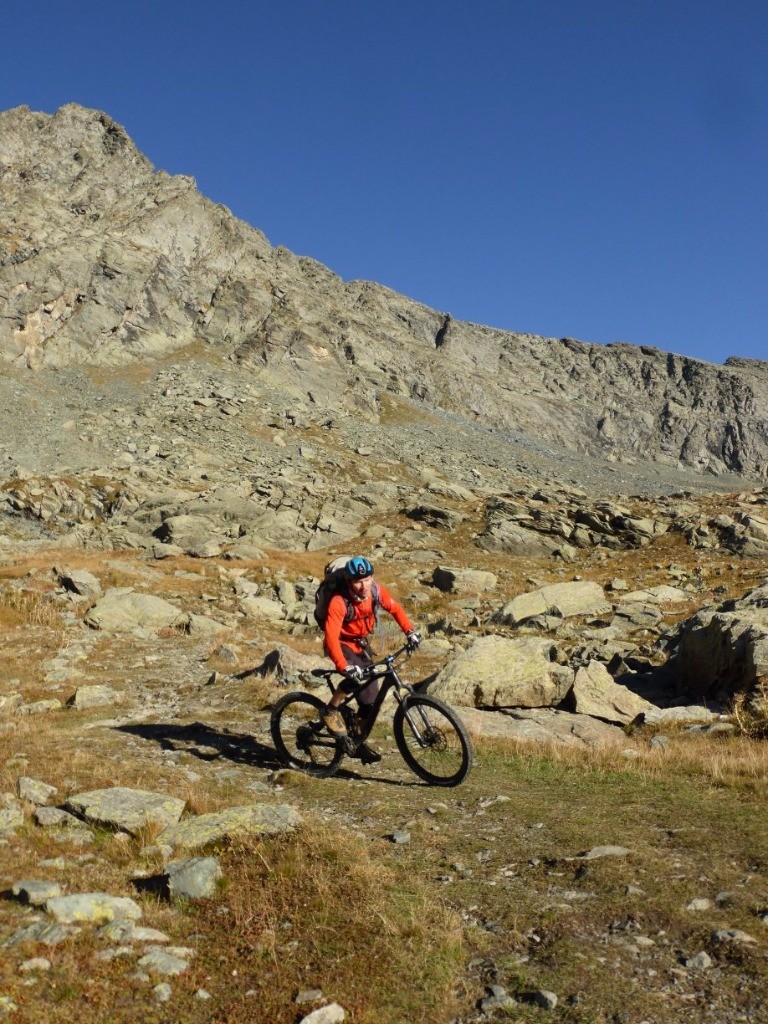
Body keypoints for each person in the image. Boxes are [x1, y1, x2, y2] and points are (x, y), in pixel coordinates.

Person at [322, 556, 421, 764]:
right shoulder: (339, 602)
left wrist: (409, 632)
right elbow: (330, 637)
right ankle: (330, 710)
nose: (363, 585)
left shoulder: (376, 591)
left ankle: (355, 741)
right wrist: (343, 665)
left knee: (370, 700)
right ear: (349, 582)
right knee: (355, 677)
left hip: (360, 643)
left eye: (367, 579)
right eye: (358, 581)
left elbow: (395, 609)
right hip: (341, 644)